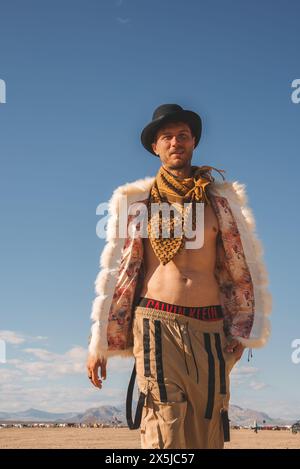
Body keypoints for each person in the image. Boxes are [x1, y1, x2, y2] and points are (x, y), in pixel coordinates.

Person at [86, 104, 271, 449]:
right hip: (156, 323)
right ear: (155, 147)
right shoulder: (138, 204)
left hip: (209, 329)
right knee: (164, 433)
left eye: (182, 136)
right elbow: (119, 272)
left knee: (207, 430)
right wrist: (98, 342)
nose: (175, 142)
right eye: (167, 137)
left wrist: (242, 328)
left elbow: (239, 272)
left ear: (194, 142)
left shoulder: (220, 205)